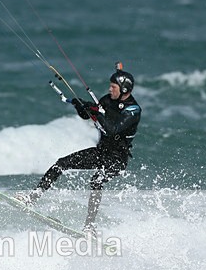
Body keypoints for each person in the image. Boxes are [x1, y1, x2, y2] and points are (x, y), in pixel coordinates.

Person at [16, 64, 141, 237]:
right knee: (60, 164)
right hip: (101, 152)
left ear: (124, 89)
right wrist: (82, 107)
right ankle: (32, 198)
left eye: (113, 87)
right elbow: (88, 115)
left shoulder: (133, 110)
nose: (109, 89)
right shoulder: (107, 100)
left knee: (96, 181)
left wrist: (96, 113)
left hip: (117, 159)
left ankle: (89, 227)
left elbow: (112, 129)